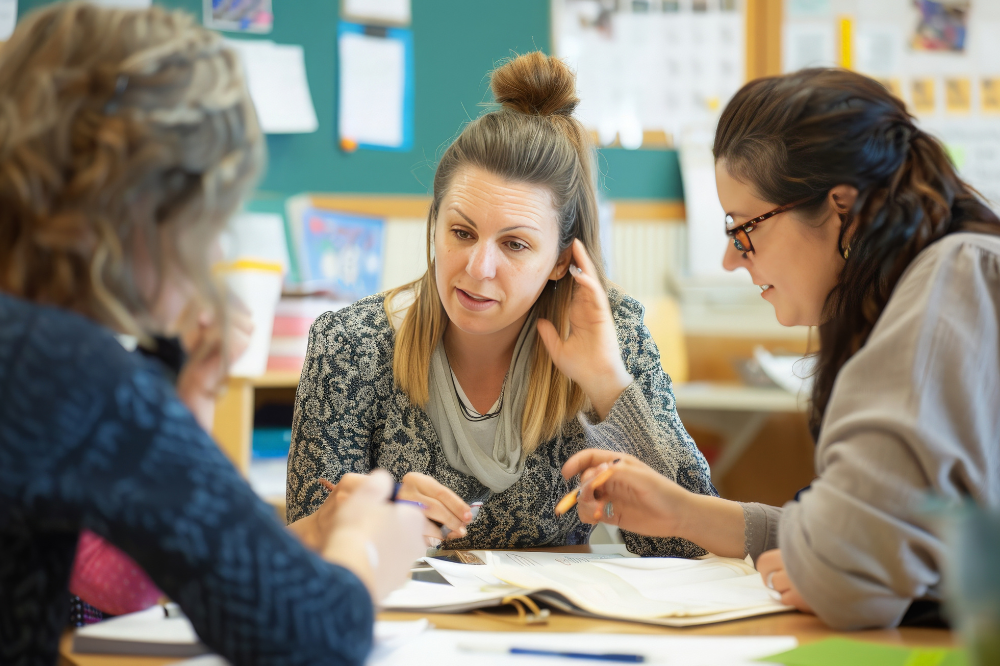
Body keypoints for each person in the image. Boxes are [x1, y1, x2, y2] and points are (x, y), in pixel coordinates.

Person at [0, 4, 427, 664]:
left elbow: (156, 556)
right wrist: (368, 550)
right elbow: (310, 633)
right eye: (210, 219)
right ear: (148, 209)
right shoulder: (62, 367)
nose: (212, 250)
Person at [563, 67, 1000, 631]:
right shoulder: (934, 281)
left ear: (842, 207)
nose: (730, 259)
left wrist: (828, 565)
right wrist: (683, 512)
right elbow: (857, 533)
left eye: (744, 226)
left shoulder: (952, 280)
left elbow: (848, 575)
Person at [285, 52, 716, 556]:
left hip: (552, 623)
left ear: (561, 260)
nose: (477, 267)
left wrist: (606, 384)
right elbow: (298, 552)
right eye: (461, 232)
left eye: (515, 245)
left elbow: (686, 547)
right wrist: (370, 519)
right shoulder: (352, 343)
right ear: (435, 223)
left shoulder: (609, 333)